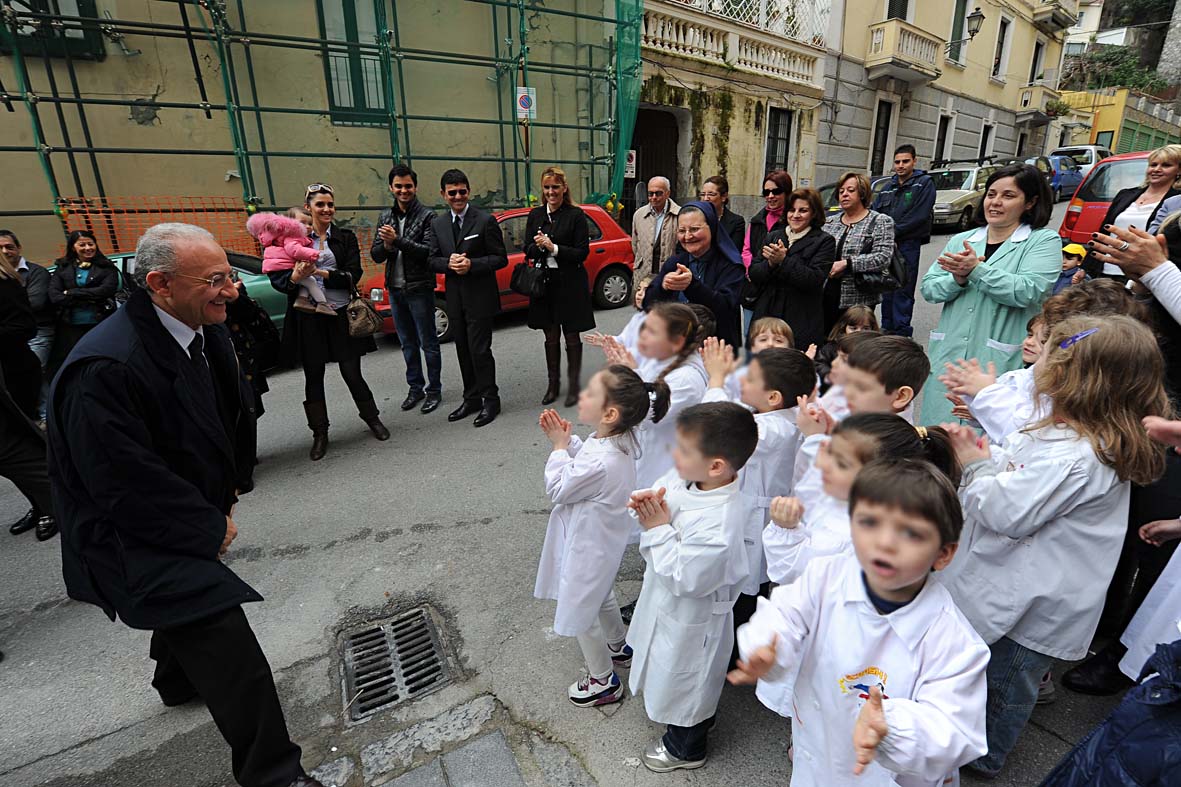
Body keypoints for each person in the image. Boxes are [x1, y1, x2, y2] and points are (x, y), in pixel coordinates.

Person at [47, 223, 324, 787]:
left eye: (230, 275)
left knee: (187, 619)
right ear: (160, 284)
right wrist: (206, 525)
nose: (231, 289)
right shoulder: (105, 367)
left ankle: (177, 680)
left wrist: (227, 487)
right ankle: (275, 776)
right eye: (216, 279)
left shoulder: (204, 327)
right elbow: (121, 482)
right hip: (130, 532)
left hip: (178, 510)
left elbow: (228, 411)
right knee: (224, 638)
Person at [940, 314, 1170, 779]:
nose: (1033, 365)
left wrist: (975, 466)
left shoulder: (1077, 455)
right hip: (1029, 582)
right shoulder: (1075, 434)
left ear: (1071, 379)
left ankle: (985, 755)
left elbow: (1008, 513)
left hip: (1034, 598)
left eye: (1043, 357)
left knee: (1005, 682)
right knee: (1000, 669)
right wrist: (994, 458)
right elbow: (1022, 467)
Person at [730, 459, 988, 786]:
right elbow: (786, 611)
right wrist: (769, 644)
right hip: (818, 754)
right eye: (869, 523)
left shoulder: (954, 642)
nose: (885, 543)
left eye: (910, 533)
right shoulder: (827, 576)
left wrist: (893, 729)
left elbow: (955, 729)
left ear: (944, 553)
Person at [626, 401, 759, 772]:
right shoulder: (692, 476)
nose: (674, 455)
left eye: (682, 450)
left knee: (689, 683)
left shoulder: (720, 525)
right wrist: (646, 503)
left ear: (716, 465)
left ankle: (685, 748)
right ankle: (687, 725)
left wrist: (657, 529)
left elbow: (686, 578)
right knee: (671, 672)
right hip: (666, 603)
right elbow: (664, 492)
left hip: (693, 615)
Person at [533, 365, 671, 707]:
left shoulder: (602, 461)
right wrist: (571, 443)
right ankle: (619, 644)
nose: (582, 396)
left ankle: (602, 679)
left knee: (581, 609)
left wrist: (558, 448)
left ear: (610, 413)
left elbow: (559, 488)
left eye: (590, 393)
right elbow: (591, 456)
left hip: (586, 545)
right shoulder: (619, 440)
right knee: (600, 594)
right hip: (600, 544)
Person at [918, 163, 1061, 425]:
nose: (995, 202)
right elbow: (929, 288)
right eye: (991, 194)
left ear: (1030, 202)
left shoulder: (1042, 241)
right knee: (940, 435)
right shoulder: (963, 239)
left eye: (1008, 196)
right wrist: (957, 279)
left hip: (1000, 359)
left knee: (988, 437)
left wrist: (975, 271)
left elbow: (1029, 290)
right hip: (950, 354)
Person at [702, 341, 815, 666]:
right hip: (760, 515)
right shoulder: (785, 416)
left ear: (773, 398)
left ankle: (735, 655)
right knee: (751, 582)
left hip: (754, 521)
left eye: (749, 379)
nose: (741, 383)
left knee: (744, 589)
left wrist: (716, 380)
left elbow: (715, 423)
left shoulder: (771, 430)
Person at [269, 184, 388, 460]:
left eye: (330, 205)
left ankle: (373, 419)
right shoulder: (290, 238)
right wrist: (296, 278)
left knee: (352, 372)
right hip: (308, 318)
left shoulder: (344, 237)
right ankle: (320, 434)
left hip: (341, 314)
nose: (326, 209)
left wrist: (320, 271)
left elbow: (353, 274)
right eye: (320, 204)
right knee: (314, 377)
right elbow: (278, 279)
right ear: (308, 207)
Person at [427, 169, 508, 428]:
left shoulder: (485, 221)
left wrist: (472, 264)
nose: (458, 196)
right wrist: (448, 264)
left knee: (480, 351)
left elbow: (500, 258)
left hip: (480, 297)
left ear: (468, 191)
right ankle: (471, 398)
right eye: (452, 193)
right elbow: (431, 259)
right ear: (443, 195)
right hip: (455, 299)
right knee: (462, 349)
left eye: (462, 191)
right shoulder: (438, 224)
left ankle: (490, 399)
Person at [602, 302, 707, 489]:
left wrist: (628, 375)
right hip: (647, 462)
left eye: (652, 331)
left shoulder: (686, 380)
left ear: (677, 341)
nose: (642, 336)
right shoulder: (660, 360)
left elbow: (643, 413)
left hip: (662, 472)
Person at [371, 164, 442, 415]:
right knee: (406, 343)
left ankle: (434, 391)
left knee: (428, 342)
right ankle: (415, 388)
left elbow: (427, 253)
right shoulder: (385, 217)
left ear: (416, 187)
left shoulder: (428, 216)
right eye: (398, 186)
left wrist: (397, 240)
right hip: (396, 289)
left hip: (420, 288)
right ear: (391, 187)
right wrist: (388, 246)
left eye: (408, 186)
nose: (404, 190)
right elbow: (376, 254)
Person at [524, 166, 593, 407]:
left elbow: (582, 252)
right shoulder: (535, 215)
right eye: (547, 187)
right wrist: (539, 245)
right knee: (550, 336)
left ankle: (574, 387)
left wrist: (553, 247)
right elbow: (527, 249)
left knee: (572, 335)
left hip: (570, 283)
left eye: (555, 187)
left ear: (564, 188)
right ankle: (553, 385)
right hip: (545, 284)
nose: (551, 192)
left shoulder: (575, 215)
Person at [0, 253, 57, 542]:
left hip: (15, 374)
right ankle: (41, 505)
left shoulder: (6, 282)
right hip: (7, 376)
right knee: (12, 450)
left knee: (21, 446)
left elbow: (24, 326)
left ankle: (55, 504)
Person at [644, 201, 745, 348]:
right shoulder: (674, 263)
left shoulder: (730, 265)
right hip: (674, 347)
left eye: (694, 229)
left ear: (712, 227)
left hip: (716, 349)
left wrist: (692, 286)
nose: (688, 236)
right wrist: (663, 286)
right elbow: (647, 304)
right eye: (682, 231)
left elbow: (725, 308)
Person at [746, 187, 836, 352]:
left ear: (814, 214)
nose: (795, 215)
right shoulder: (774, 236)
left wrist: (783, 261)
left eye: (803, 211)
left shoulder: (825, 241)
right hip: (768, 312)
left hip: (801, 317)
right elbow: (754, 273)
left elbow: (814, 279)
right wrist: (771, 264)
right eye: (791, 210)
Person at [1089, 143, 1181, 282]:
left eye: (1166, 165)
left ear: (1179, 170)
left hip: (1142, 276)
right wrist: (1085, 267)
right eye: (1153, 164)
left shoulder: (1176, 202)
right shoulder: (1125, 194)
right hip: (1105, 270)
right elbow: (1104, 231)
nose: (1156, 169)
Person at [872, 144, 936, 337]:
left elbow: (919, 216)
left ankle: (901, 332)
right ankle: (887, 328)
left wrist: (892, 234)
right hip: (887, 245)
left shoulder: (924, 183)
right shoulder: (887, 187)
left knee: (903, 289)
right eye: (897, 162)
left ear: (914, 161)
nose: (900, 165)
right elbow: (875, 214)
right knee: (886, 287)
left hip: (907, 245)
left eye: (905, 161)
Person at [821, 173, 894, 334]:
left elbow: (882, 257)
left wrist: (847, 264)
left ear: (862, 193)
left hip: (859, 297)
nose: (844, 194)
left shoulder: (880, 221)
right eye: (841, 191)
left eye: (850, 190)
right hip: (828, 294)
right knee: (828, 341)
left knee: (855, 346)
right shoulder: (829, 223)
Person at [47, 229, 120, 375]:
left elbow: (105, 291)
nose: (87, 248)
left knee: (102, 360)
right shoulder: (63, 267)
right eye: (82, 245)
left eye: (90, 244)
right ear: (73, 247)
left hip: (100, 322)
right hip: (70, 326)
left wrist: (72, 292)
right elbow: (55, 296)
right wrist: (89, 296)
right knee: (77, 363)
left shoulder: (107, 267)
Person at [2, 230, 54, 421]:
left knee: (35, 369)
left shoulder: (34, 273)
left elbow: (36, 303)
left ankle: (48, 416)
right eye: (1, 248)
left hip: (39, 331)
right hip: (14, 343)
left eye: (9, 247)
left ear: (19, 248)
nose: (6, 251)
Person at [248, 212, 333, 316]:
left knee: (305, 282)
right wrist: (315, 254)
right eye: (302, 223)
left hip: (281, 266)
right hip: (283, 268)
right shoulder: (293, 235)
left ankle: (302, 300)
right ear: (291, 223)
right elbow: (294, 250)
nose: (307, 226)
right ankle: (322, 303)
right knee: (311, 281)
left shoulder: (288, 236)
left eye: (310, 223)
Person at [813, 305, 879, 394]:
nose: (859, 332)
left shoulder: (875, 348)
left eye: (865, 328)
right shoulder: (832, 347)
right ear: (844, 327)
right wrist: (829, 375)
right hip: (834, 391)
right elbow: (819, 363)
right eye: (853, 328)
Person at [630, 176, 680, 289]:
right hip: (644, 275)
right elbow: (635, 244)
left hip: (670, 275)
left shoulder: (679, 215)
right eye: (650, 194)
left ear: (668, 193)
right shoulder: (639, 215)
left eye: (658, 193)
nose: (654, 197)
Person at [699, 175, 745, 252]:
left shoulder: (736, 222)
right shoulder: (694, 218)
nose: (706, 199)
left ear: (724, 196)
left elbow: (734, 252)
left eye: (711, 194)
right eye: (703, 194)